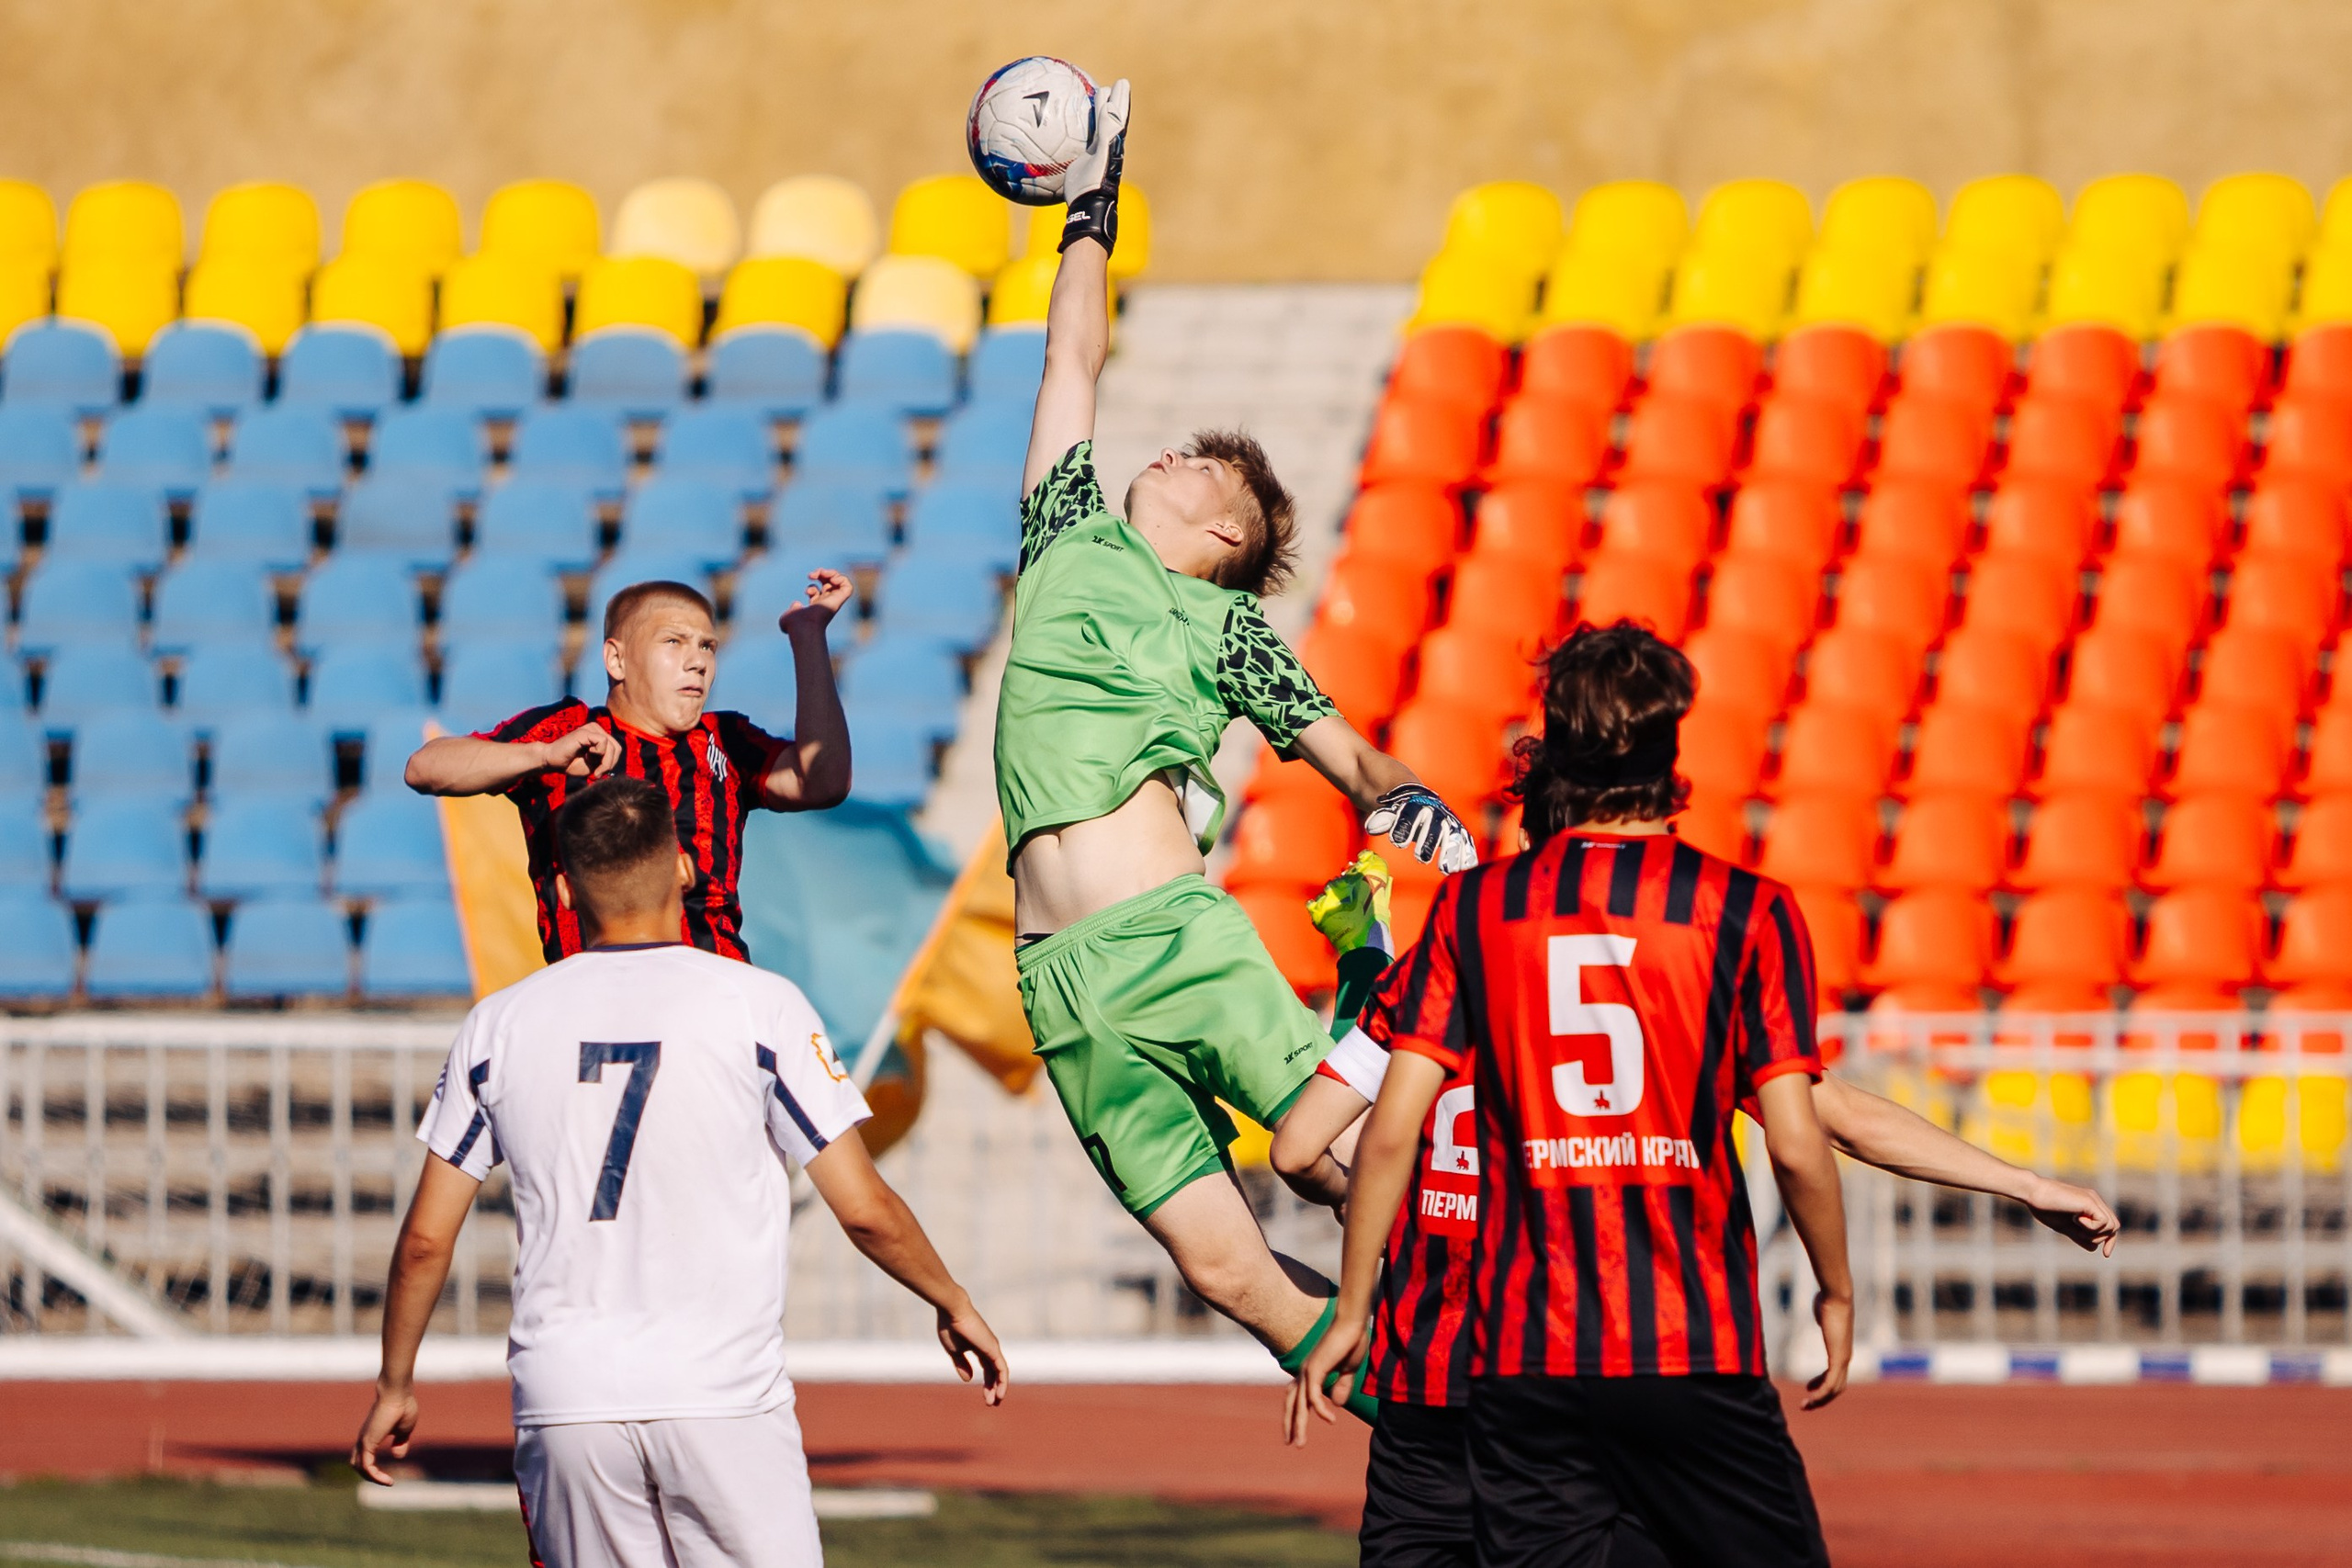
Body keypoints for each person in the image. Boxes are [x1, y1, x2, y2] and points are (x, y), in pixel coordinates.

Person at [999, 75, 1479, 1405]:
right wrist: (1090, 208)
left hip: (1172, 938)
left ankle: (1533, 1311)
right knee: (1228, 1273)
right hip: (1058, 977)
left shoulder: (1231, 633)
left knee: (1331, 1162)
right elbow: (1071, 363)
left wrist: (1411, 804)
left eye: (1202, 470)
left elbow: (1355, 759)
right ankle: (1435, 1416)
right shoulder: (1065, 535)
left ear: (1230, 538)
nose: (1169, 455)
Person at [1280, 844, 2121, 1568]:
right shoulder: (1660, 1002)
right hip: (1575, 1369)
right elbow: (1838, 1121)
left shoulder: (1443, 974)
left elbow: (1301, 1148)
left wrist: (1382, 1218)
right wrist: (2025, 1183)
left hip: (1430, 1385)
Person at [1288, 622, 1848, 1567]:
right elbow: (1795, 1143)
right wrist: (1834, 1291)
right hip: (1690, 1341)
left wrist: (1350, 1310)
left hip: (1521, 1356)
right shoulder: (1751, 909)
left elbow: (1386, 1135)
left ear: (1554, 749)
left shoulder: (1476, 907)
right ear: (1674, 753)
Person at [352, 775, 1005, 1568]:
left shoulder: (497, 1024)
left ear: (562, 887)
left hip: (568, 1397)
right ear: (687, 869)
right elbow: (863, 1207)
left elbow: (426, 1238)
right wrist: (951, 1298)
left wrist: (395, 1381)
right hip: (722, 1396)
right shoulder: (762, 1006)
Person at [404, 571, 854, 963]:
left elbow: (823, 781)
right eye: (673, 642)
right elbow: (425, 769)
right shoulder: (566, 731)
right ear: (616, 659)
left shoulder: (725, 741)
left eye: (707, 646)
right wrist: (539, 755)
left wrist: (809, 635)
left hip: (709, 1000)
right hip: (592, 1005)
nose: (697, 661)